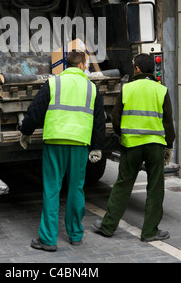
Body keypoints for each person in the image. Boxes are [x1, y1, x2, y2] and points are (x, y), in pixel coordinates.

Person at [19, 50, 105, 252]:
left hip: (55, 142)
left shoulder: (53, 83)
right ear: (84, 65)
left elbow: (35, 111)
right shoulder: (92, 89)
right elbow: (99, 121)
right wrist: (97, 147)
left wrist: (25, 132)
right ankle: (75, 235)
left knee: (52, 189)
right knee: (76, 188)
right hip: (79, 144)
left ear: (66, 65)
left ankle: (48, 239)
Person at [93, 53, 175, 242]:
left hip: (131, 145)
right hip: (155, 146)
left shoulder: (127, 88)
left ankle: (108, 226)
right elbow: (168, 122)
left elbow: (116, 117)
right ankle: (150, 232)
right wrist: (169, 146)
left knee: (123, 185)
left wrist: (121, 134)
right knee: (155, 188)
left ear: (137, 68)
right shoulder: (161, 90)